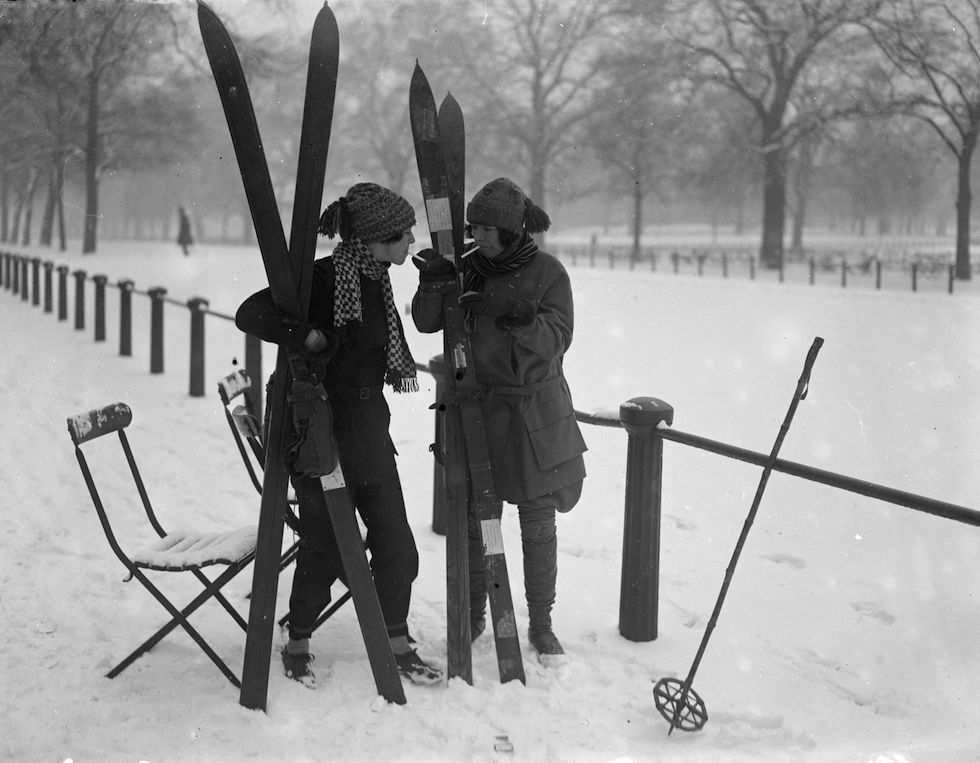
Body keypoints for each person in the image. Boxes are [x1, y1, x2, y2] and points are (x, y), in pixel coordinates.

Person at [235, 182, 442, 688]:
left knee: (397, 543)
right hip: (320, 432)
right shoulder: (324, 278)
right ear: (374, 238)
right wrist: (305, 335)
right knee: (325, 543)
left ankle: (396, 641)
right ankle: (298, 638)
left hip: (369, 429)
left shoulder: (377, 280)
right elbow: (251, 313)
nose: (410, 242)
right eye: (402, 235)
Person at [411, 177, 587, 663]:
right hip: (480, 412)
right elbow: (426, 322)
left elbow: (558, 338)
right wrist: (433, 283)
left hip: (534, 415)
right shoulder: (467, 268)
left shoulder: (548, 272)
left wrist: (517, 314)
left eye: (489, 229)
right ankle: (474, 615)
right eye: (475, 228)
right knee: (477, 522)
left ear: (512, 230)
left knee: (538, 524)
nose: (479, 236)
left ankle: (542, 624)